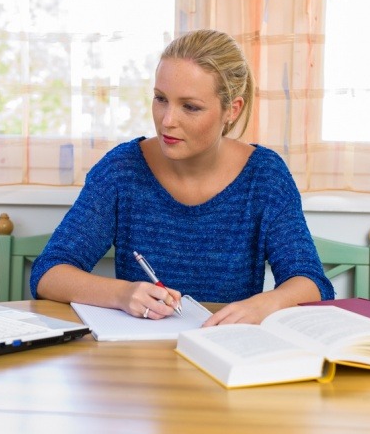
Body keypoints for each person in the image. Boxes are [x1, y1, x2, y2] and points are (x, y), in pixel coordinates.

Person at [29, 29, 334, 326]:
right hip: (140, 361)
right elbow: (49, 273)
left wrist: (266, 304)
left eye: (190, 107)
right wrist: (123, 293)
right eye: (161, 99)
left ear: (232, 109)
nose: (167, 120)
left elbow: (312, 284)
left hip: (224, 355)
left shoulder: (265, 176)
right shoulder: (122, 169)